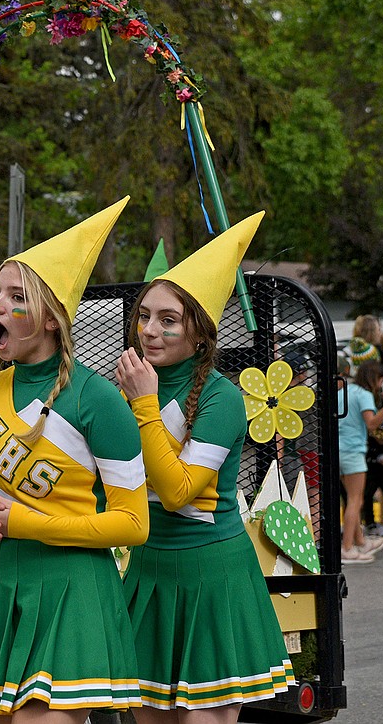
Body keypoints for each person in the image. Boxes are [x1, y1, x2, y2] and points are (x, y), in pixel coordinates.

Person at [0, 198, 149, 721]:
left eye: (15, 297)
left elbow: (133, 523)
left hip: (72, 593)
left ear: (52, 319)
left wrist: (20, 520)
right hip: (0, 590)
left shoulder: (96, 400)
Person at [115, 213, 294, 720]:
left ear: (199, 336)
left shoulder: (221, 399)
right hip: (149, 576)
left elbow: (178, 492)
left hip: (212, 581)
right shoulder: (125, 388)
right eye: (144, 315)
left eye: (168, 320)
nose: (149, 331)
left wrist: (144, 406)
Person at [337, 358, 383, 562]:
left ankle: (359, 542)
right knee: (355, 500)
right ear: (376, 379)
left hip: (340, 451)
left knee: (351, 498)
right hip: (353, 451)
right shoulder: (365, 395)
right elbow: (371, 424)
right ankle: (347, 548)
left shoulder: (345, 392)